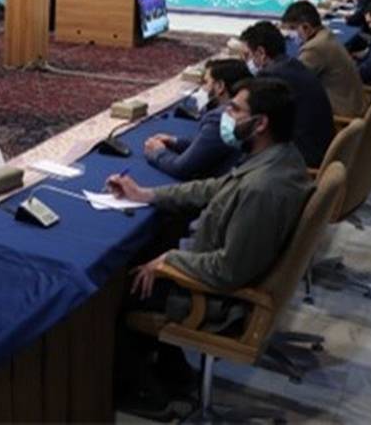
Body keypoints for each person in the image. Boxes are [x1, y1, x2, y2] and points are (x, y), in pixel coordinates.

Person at [110, 78, 311, 414]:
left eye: (235, 110)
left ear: (260, 123)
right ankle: (174, 373)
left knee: (126, 287)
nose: (226, 116)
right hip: (223, 265)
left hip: (222, 300)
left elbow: (228, 270)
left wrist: (169, 261)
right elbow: (214, 188)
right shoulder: (279, 157)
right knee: (152, 253)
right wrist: (147, 195)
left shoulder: (261, 190)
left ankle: (145, 395)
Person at [239, 21, 333, 168]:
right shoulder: (292, 64)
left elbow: (258, 121)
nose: (246, 61)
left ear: (261, 53)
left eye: (247, 55)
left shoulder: (271, 77)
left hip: (304, 156)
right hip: (321, 144)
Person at [144, 59, 250, 180]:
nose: (202, 88)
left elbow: (181, 168)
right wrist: (175, 142)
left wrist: (158, 152)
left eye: (206, 82)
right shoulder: (248, 109)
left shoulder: (220, 119)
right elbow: (210, 145)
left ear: (220, 86)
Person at [280, 1, 365, 118]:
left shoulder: (314, 48)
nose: (290, 34)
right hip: (354, 102)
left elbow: (294, 82)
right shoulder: (326, 34)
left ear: (306, 27)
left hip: (343, 113)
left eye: (292, 28)